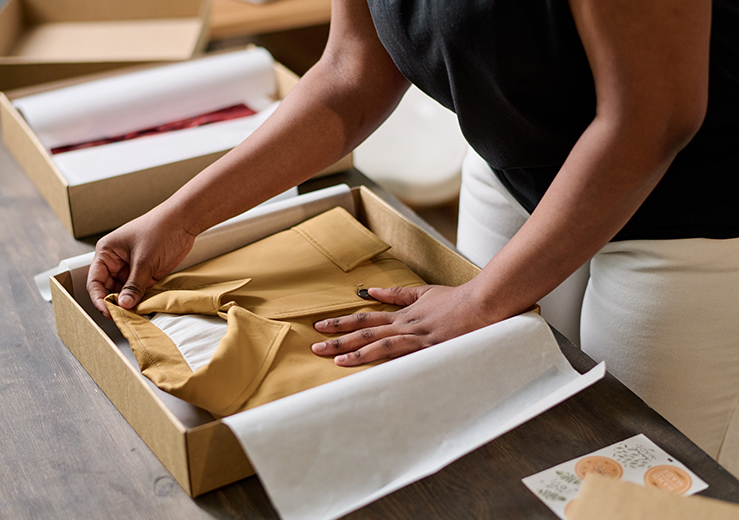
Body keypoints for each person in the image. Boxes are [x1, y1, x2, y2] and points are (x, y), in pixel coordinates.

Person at [88, 0, 739, 474]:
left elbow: (652, 118)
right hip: (516, 162)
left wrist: (481, 299)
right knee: (499, 432)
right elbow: (351, 74)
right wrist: (182, 217)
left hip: (690, 206)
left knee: (643, 473)